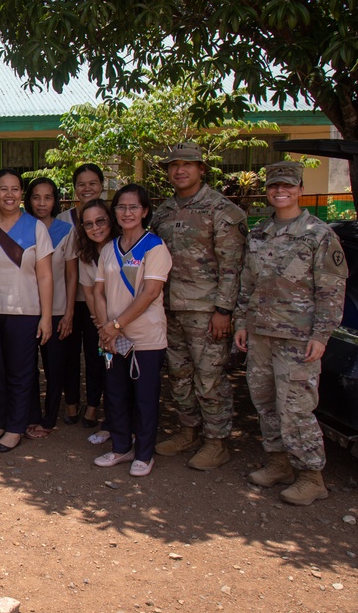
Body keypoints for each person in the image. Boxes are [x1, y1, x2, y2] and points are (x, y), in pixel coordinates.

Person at [234, 161, 347, 505]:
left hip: (298, 338)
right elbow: (247, 283)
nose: (280, 191)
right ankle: (279, 464)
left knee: (296, 407)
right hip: (261, 334)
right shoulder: (259, 232)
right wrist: (241, 322)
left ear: (299, 189)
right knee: (265, 401)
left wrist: (322, 334)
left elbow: (332, 288)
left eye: (287, 186)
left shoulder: (319, 234)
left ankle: (311, 477)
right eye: (274, 186)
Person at [151, 142, 247, 470]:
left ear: (201, 169)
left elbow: (233, 265)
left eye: (187, 164)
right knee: (179, 376)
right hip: (170, 309)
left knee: (210, 378)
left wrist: (224, 310)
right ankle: (188, 430)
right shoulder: (162, 212)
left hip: (207, 312)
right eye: (174, 164)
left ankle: (216, 442)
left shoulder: (222, 210)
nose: (180, 170)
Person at [94, 184, 172, 477]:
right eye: (121, 207)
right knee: (115, 394)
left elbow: (150, 292)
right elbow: (98, 292)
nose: (127, 213)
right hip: (113, 338)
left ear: (145, 211)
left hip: (145, 338)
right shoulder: (108, 248)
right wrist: (106, 330)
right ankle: (120, 447)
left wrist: (115, 326)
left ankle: (144, 454)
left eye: (133, 207)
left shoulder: (155, 247)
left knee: (145, 397)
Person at [0, 169, 53, 452]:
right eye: (3, 189)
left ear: (21, 194)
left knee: (20, 372)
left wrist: (46, 316)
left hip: (25, 310)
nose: (9, 195)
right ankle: (0, 421)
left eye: (15, 189)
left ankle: (16, 427)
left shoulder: (35, 228)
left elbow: (45, 276)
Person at [24, 177, 77, 439]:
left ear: (55, 201)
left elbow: (71, 276)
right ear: (29, 199)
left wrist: (68, 313)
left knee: (55, 367)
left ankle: (49, 417)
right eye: (36, 197)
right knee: (28, 367)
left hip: (56, 311)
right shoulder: (22, 228)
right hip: (27, 309)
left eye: (48, 197)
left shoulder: (66, 231)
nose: (41, 203)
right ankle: (31, 415)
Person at [62, 164, 106, 428]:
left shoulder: (107, 218)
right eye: (81, 184)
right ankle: (71, 402)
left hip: (100, 302)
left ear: (101, 185)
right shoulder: (62, 221)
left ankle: (92, 405)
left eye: (92, 183)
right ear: (74, 188)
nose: (87, 188)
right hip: (68, 300)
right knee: (68, 354)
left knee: (95, 354)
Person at [74, 198, 120, 445]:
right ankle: (109, 422)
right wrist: (103, 327)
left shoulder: (124, 247)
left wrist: (115, 326)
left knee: (127, 375)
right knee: (106, 370)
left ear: (111, 220)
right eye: (89, 224)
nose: (96, 228)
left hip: (128, 322)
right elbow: (90, 292)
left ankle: (125, 424)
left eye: (100, 221)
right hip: (102, 325)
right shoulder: (86, 253)